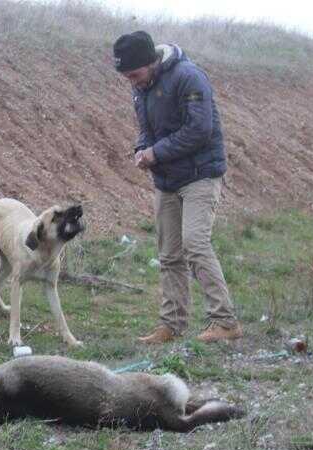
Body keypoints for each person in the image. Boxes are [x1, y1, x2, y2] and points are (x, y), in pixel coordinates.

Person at [113, 31, 242, 343]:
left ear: (151, 62)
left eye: (135, 74)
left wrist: (156, 153)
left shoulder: (189, 77)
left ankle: (226, 323)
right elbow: (146, 130)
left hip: (200, 175)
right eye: (126, 76)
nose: (132, 81)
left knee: (195, 244)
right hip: (166, 180)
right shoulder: (140, 89)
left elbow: (200, 129)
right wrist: (141, 150)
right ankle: (172, 326)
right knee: (169, 255)